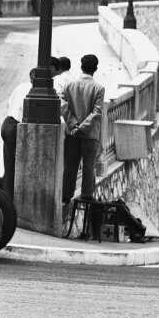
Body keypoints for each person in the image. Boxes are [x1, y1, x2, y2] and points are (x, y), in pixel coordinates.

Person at [61, 55, 105, 205]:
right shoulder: (98, 88)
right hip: (90, 134)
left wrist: (74, 125)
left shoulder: (69, 85)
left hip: (72, 133)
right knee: (89, 165)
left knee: (70, 165)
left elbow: (63, 105)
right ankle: (87, 196)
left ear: (81, 67)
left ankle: (66, 195)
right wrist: (83, 128)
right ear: (96, 69)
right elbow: (97, 112)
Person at [0, 68, 35, 200]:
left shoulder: (22, 86)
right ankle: (9, 196)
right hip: (16, 126)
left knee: (10, 162)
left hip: (8, 123)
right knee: (15, 164)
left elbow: (9, 104)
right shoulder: (32, 91)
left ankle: (2, 186)